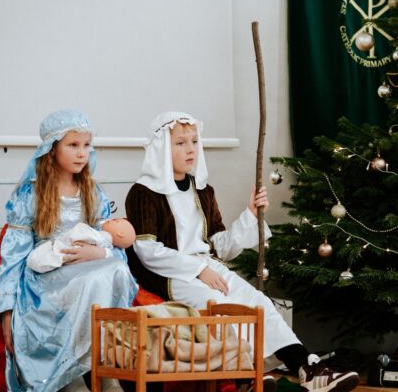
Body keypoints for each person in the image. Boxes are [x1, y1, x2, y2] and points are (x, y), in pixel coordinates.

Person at [125, 111, 360, 392]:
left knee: (258, 302)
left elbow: (220, 246)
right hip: (173, 276)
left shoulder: (203, 191)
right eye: (180, 143)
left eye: (194, 141)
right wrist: (198, 270)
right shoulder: (143, 192)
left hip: (209, 267)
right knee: (218, 306)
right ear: (162, 147)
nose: (191, 149)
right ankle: (245, 375)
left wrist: (250, 214)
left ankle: (306, 368)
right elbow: (147, 250)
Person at [0, 109, 137, 392]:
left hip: (87, 268)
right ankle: (68, 374)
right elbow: (14, 255)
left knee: (113, 269)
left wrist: (98, 253)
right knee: (88, 281)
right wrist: (7, 313)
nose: (82, 153)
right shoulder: (31, 194)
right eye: (73, 145)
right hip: (46, 277)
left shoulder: (93, 192)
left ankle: (106, 370)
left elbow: (108, 240)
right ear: (51, 149)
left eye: (86, 145)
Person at [27, 218, 136, 273]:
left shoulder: (103, 239)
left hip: (80, 261)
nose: (109, 220)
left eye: (115, 220)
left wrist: (102, 253)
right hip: (61, 258)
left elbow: (119, 255)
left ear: (120, 233)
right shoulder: (28, 193)